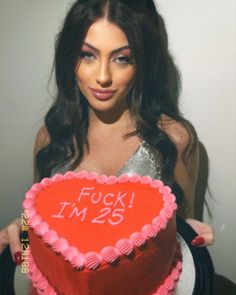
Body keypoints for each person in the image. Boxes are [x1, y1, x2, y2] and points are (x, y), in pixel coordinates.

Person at [0, 0, 213, 273]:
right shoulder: (51, 138)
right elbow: (35, 231)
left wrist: (189, 241)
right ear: (69, 57)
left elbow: (183, 246)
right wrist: (23, 232)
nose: (103, 77)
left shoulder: (174, 140)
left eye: (122, 58)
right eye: (87, 55)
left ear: (143, 63)